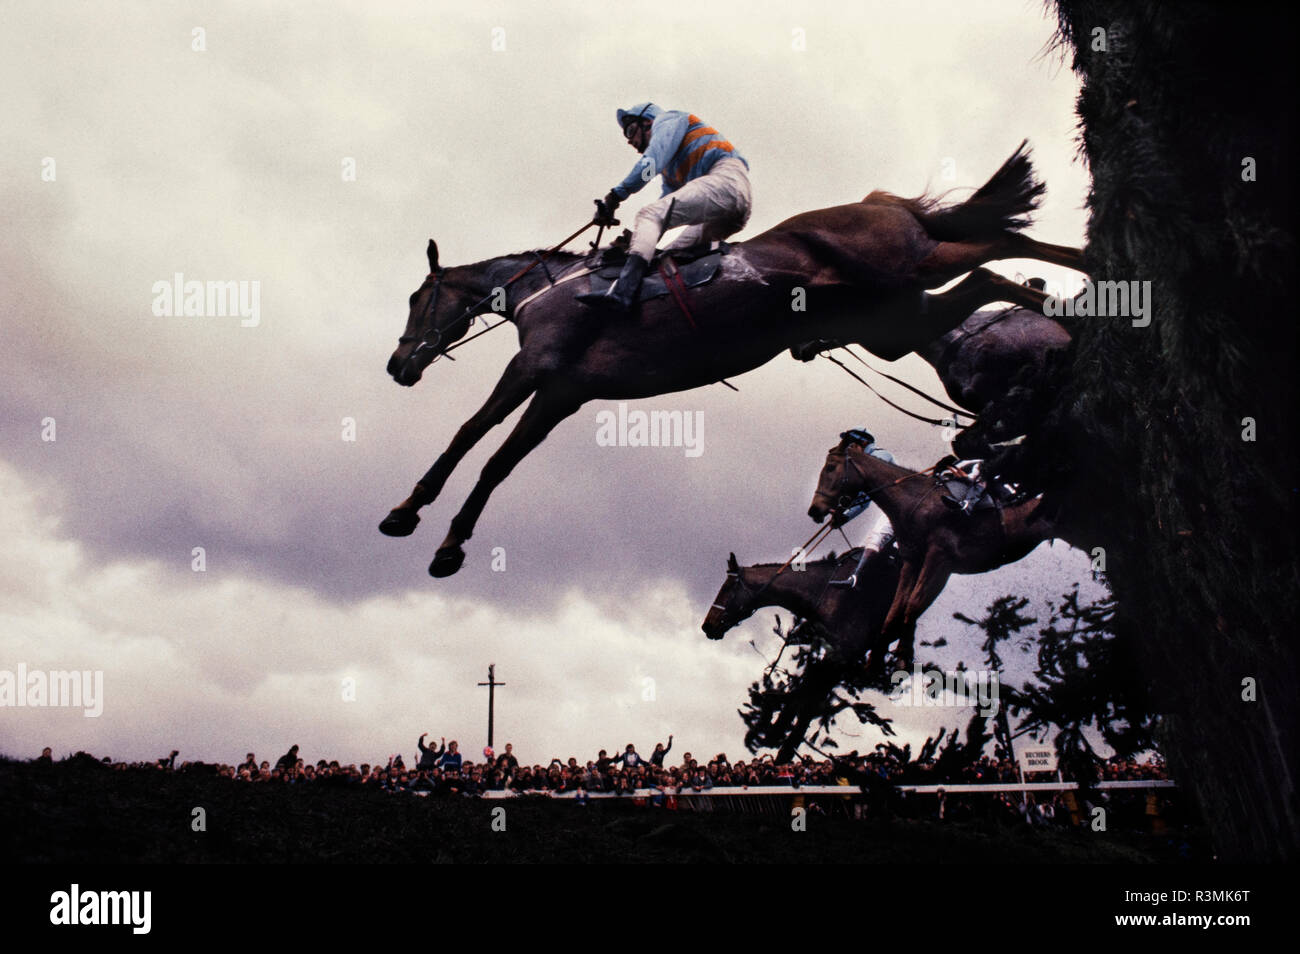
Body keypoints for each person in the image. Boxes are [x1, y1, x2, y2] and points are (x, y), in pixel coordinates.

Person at [576, 101, 751, 313]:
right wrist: (633, 241)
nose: (630, 141)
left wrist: (615, 196)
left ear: (648, 123)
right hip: (728, 208)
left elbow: (649, 166)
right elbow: (664, 215)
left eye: (631, 131)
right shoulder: (671, 171)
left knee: (648, 215)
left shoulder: (669, 120)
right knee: (666, 259)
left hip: (726, 181)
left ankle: (622, 292)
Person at [832, 429, 897, 587]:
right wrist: (844, 515)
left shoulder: (880, 456)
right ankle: (857, 579)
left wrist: (845, 513)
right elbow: (863, 497)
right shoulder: (862, 460)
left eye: (851, 445)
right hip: (891, 510)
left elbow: (863, 494)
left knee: (884, 541)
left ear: (864, 443)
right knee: (873, 540)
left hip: (903, 507)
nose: (848, 449)